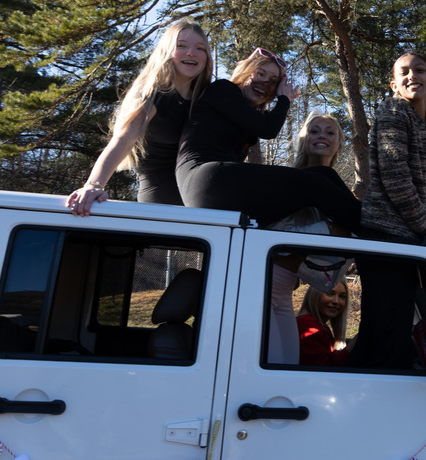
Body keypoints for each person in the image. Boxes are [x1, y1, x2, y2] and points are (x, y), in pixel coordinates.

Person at [347, 51, 426, 369]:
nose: (413, 76)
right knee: (389, 340)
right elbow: (396, 177)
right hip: (384, 238)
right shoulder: (393, 111)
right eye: (404, 72)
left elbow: (425, 179)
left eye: (420, 70)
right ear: (394, 83)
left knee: (382, 335)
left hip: (406, 238)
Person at [174, 49, 361, 233]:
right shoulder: (223, 89)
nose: (264, 82)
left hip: (216, 190)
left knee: (323, 173)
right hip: (204, 178)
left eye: (272, 81)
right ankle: (376, 231)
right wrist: (284, 99)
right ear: (245, 71)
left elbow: (262, 124)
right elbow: (268, 129)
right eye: (260, 74)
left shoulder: (244, 119)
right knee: (313, 184)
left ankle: (365, 225)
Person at [66, 19, 212, 216]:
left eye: (200, 48)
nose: (191, 52)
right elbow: (123, 140)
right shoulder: (151, 95)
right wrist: (93, 185)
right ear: (165, 52)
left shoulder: (206, 98)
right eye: (181, 46)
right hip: (162, 200)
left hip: (199, 195)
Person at [266, 111, 348, 364]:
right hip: (261, 289)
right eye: (314, 130)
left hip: (283, 293)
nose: (321, 135)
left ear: (338, 144)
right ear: (303, 139)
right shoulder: (285, 181)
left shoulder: (337, 190)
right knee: (273, 370)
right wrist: (331, 231)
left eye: (329, 132)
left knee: (289, 367)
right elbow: (270, 232)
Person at [296, 281, 355, 366]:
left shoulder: (321, 326)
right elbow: (326, 368)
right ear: (315, 295)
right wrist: (353, 344)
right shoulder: (308, 326)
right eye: (330, 293)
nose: (336, 301)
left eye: (342, 296)